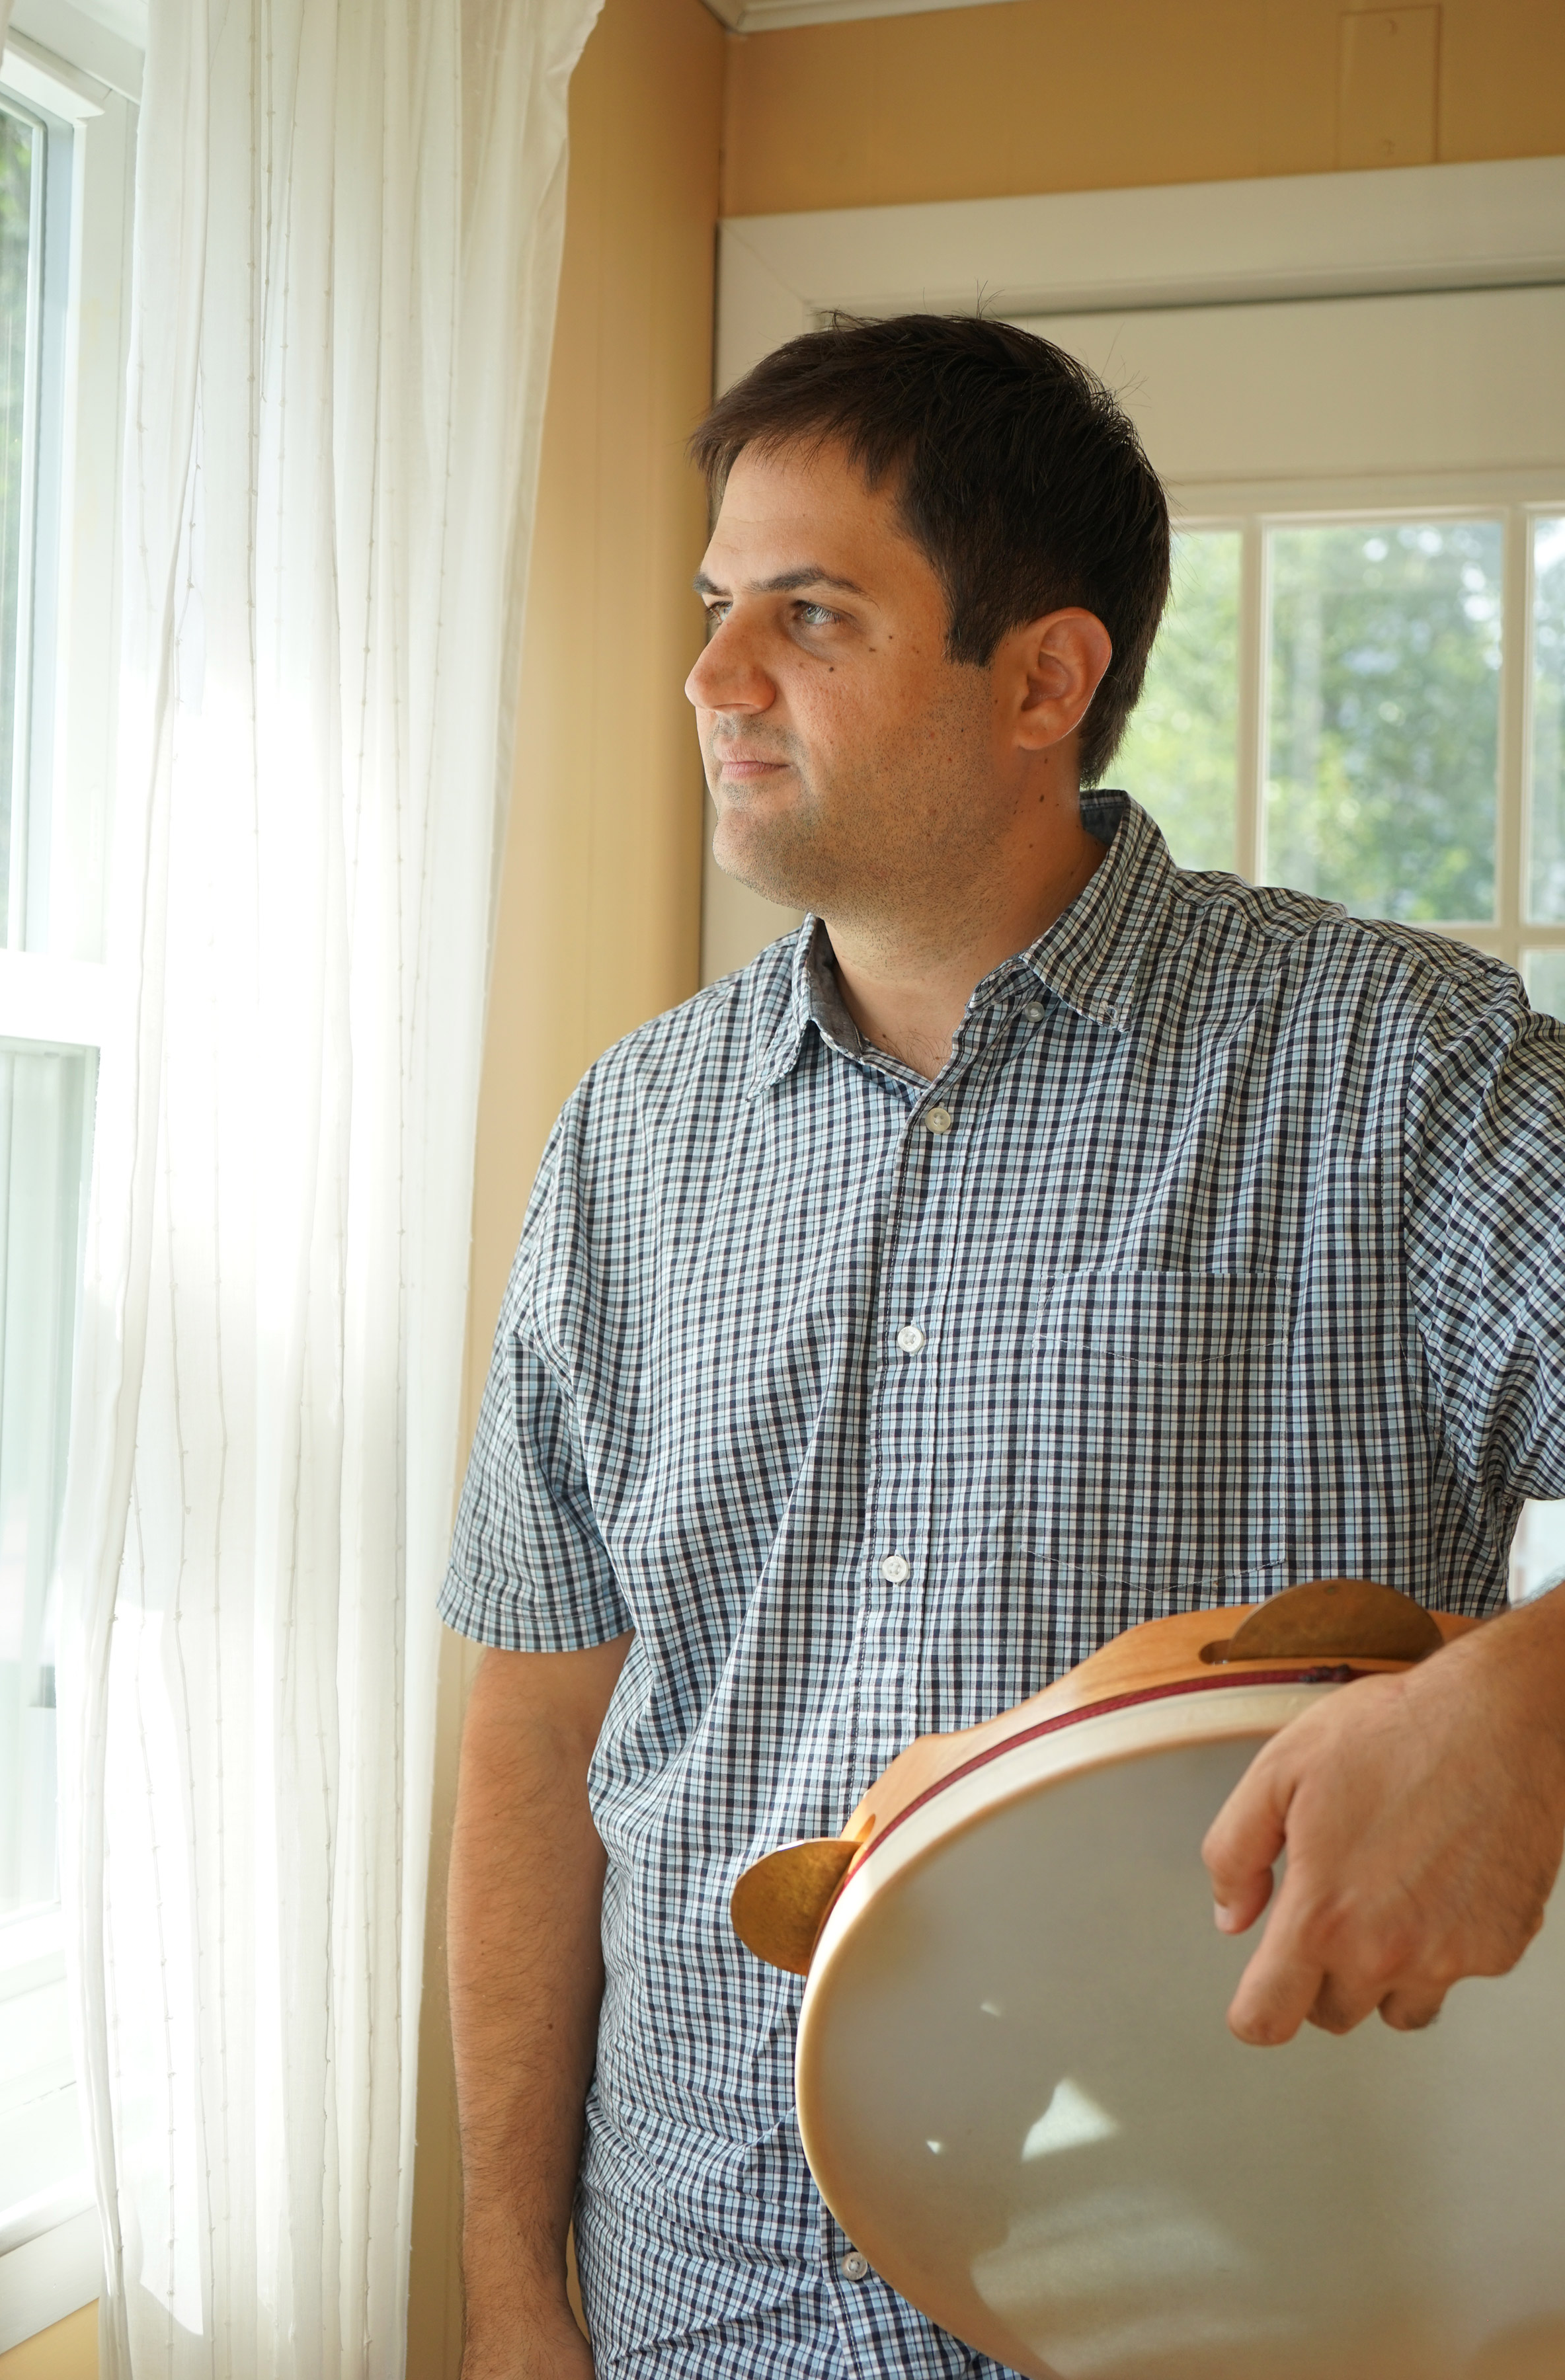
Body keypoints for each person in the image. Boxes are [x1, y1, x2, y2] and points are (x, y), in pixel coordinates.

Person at [440, 315, 1565, 2380]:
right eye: (713, 609)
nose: (712, 679)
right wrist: (513, 2280)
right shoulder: (629, 1135)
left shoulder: (1403, 1071)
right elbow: (536, 1729)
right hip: (708, 2300)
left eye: (809, 614)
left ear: (1045, 678)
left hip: (1234, 2303)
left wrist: (1535, 1691)